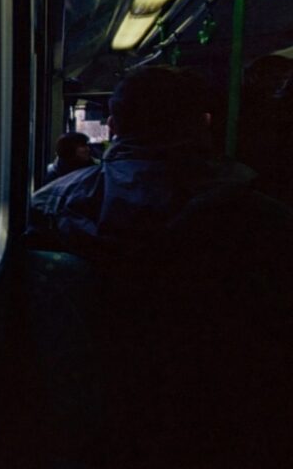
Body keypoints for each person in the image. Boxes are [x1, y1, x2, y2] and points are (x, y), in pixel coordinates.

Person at [29, 65, 293, 466]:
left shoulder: (49, 208)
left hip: (97, 426)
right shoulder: (266, 220)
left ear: (114, 125)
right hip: (229, 426)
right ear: (204, 124)